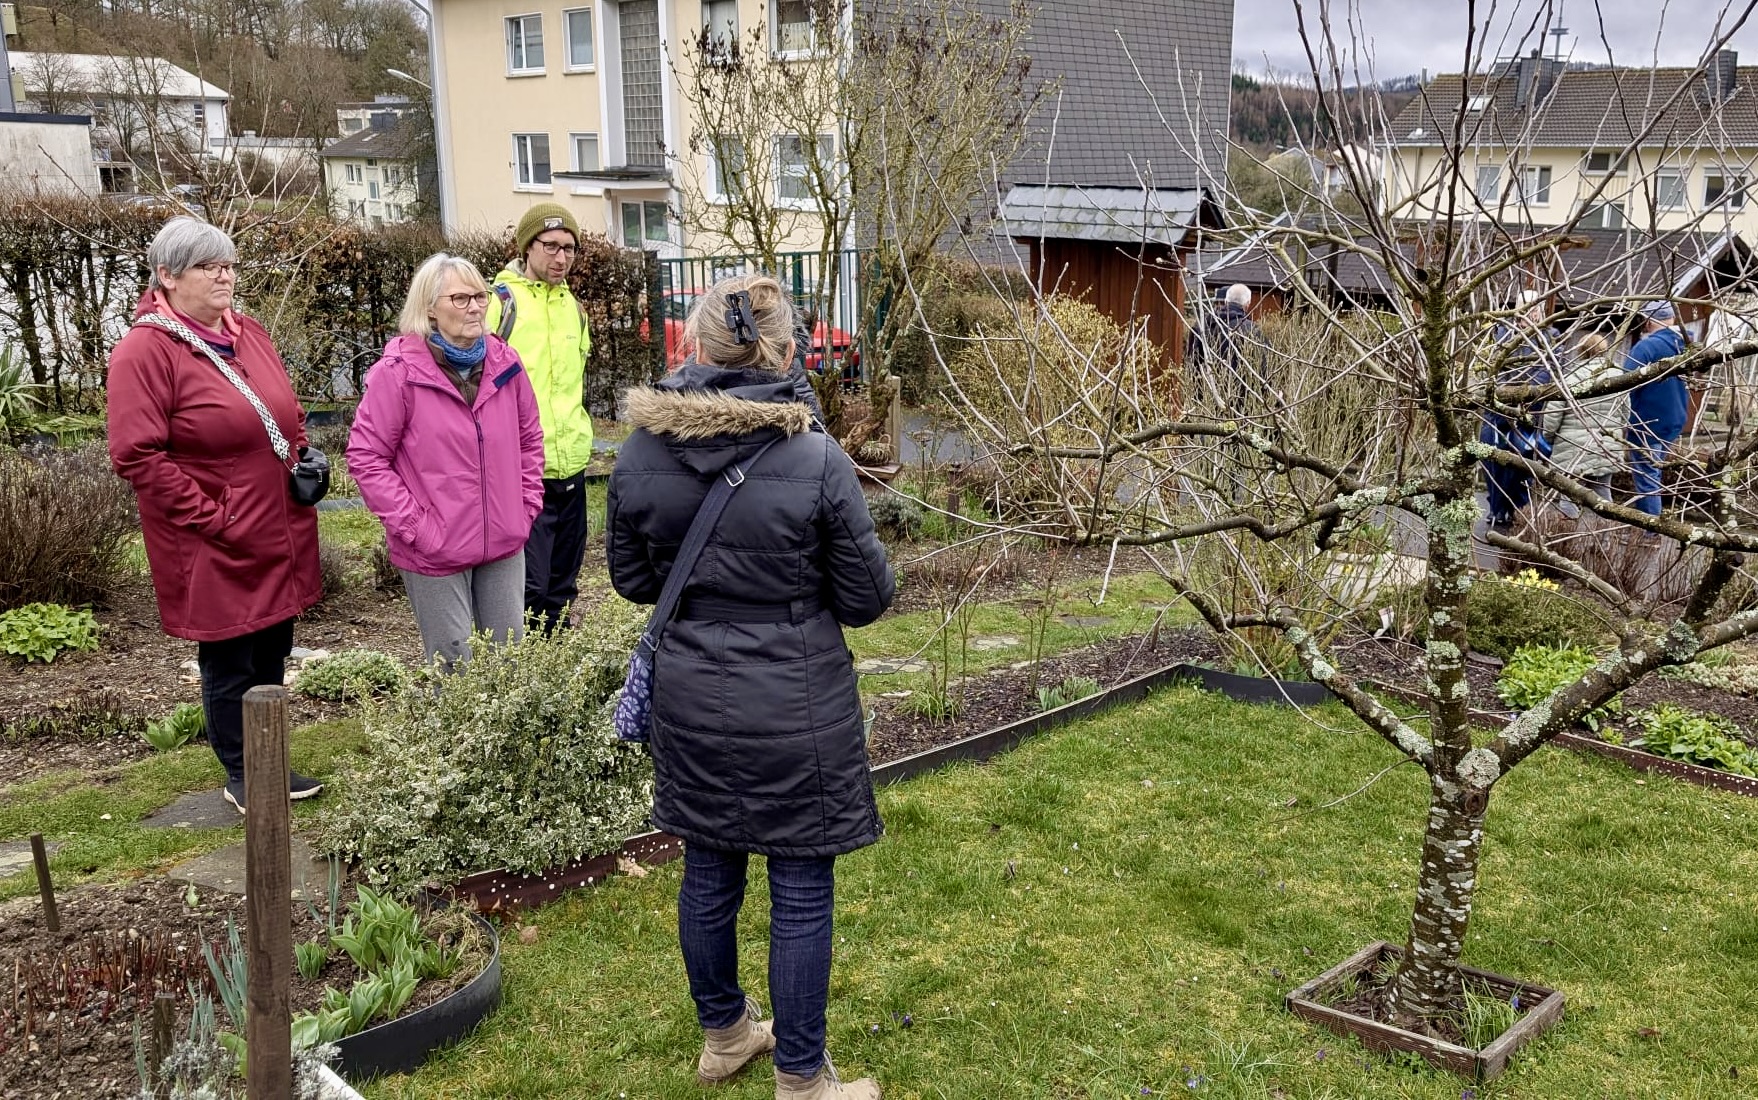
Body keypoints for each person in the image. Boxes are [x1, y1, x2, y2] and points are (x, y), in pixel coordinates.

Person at [606, 274, 895, 1099]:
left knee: (710, 867)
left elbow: (632, 579)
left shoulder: (641, 450)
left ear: (696, 345)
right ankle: (802, 1079)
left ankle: (726, 1033)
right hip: (796, 699)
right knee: (801, 885)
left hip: (693, 694)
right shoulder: (814, 457)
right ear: (784, 348)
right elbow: (870, 598)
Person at [107, 216, 323, 814]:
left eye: (227, 263)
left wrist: (306, 456)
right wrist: (215, 515)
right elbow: (136, 455)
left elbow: (285, 410)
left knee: (273, 645)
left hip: (274, 523)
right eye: (207, 266)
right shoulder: (145, 351)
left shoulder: (247, 332)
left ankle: (270, 758)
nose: (224, 275)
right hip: (213, 538)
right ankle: (242, 773)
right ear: (168, 277)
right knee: (231, 655)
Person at [349, 253, 544, 669]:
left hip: (503, 541)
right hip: (434, 549)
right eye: (460, 298)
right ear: (429, 309)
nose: (475, 306)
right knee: (454, 672)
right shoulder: (398, 373)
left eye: (480, 295)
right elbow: (367, 458)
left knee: (509, 668)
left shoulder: (505, 364)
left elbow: (529, 439)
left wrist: (524, 507)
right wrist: (416, 527)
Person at [485, 203, 594, 633]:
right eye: (550, 246)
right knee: (527, 588)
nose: (561, 257)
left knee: (564, 586)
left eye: (569, 248)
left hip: (573, 466)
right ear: (528, 247)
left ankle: (559, 675)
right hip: (522, 471)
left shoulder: (575, 311)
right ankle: (523, 677)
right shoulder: (499, 305)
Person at [1478, 292, 1557, 531]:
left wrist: (1524, 395)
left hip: (1529, 416)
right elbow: (1494, 371)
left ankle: (1519, 511)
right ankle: (1497, 508)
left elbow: (1549, 373)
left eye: (1536, 308)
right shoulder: (1501, 336)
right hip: (1499, 413)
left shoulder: (1550, 340)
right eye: (1528, 308)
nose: (1532, 313)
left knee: (1522, 464)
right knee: (1493, 460)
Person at [1546, 332, 1630, 516]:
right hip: (1605, 447)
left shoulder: (1570, 377)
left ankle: (1567, 540)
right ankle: (1605, 539)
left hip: (1572, 447)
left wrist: (1550, 437)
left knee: (1568, 494)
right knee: (1603, 495)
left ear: (1580, 351)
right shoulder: (1619, 376)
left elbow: (1552, 416)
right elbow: (1625, 415)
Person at [1622, 299, 1690, 517]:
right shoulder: (1687, 345)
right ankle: (1644, 520)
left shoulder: (1647, 347)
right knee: (1652, 471)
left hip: (1647, 421)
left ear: (1649, 320)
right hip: (1674, 419)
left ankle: (1650, 529)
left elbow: (1625, 382)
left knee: (1646, 475)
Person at [1185, 283, 1262, 411]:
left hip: (1207, 400)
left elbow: (1193, 365)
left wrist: (1196, 398)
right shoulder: (1251, 331)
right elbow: (1262, 369)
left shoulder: (1201, 327)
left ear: (1226, 301)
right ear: (1247, 304)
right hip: (1240, 403)